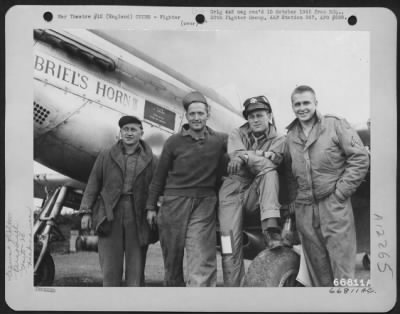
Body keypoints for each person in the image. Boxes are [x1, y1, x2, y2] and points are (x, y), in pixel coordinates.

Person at [284, 85, 369, 286]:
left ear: (315, 104)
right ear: (292, 107)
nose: (302, 108)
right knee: (318, 271)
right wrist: (294, 202)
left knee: (343, 269)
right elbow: (289, 172)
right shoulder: (290, 136)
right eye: (297, 104)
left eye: (306, 103)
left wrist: (341, 193)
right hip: (305, 208)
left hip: (333, 204)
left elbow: (360, 158)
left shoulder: (334, 125)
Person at [145, 91, 227, 287]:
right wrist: (150, 207)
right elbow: (159, 177)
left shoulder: (219, 141)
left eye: (200, 113)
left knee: (202, 257)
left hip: (204, 203)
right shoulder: (174, 142)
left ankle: (200, 303)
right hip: (174, 204)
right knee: (172, 261)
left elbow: (243, 140)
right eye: (192, 114)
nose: (197, 118)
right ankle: (176, 300)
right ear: (187, 116)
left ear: (208, 115)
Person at [79, 115, 157, 286]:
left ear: (141, 133)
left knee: (135, 271)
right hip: (109, 214)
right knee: (110, 269)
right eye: (125, 129)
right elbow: (93, 183)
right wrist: (85, 211)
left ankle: (133, 304)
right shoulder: (106, 155)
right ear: (120, 132)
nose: (129, 133)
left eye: (133, 130)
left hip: (138, 215)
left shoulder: (152, 159)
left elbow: (156, 187)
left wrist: (152, 209)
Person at [218, 95, 286, 287]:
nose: (255, 119)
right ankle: (233, 291)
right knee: (227, 243)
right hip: (231, 190)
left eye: (259, 115)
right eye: (251, 116)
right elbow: (235, 154)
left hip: (256, 190)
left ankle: (271, 228)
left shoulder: (280, 138)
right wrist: (259, 155)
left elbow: (267, 164)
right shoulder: (236, 133)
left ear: (269, 115)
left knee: (269, 171)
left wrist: (245, 156)